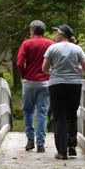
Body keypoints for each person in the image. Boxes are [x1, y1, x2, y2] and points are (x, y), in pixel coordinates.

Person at [42, 24, 85, 159]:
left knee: (59, 118)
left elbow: (44, 68)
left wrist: (53, 72)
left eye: (57, 33)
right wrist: (77, 69)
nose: (55, 35)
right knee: (71, 115)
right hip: (74, 85)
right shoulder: (77, 49)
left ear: (62, 34)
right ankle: (72, 146)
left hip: (56, 85)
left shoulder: (52, 48)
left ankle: (62, 152)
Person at [16, 20, 54, 152]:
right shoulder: (50, 44)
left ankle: (30, 139)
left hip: (29, 82)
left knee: (28, 111)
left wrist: (24, 75)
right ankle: (41, 144)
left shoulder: (26, 43)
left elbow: (20, 63)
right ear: (43, 31)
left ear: (32, 30)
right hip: (45, 82)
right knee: (42, 112)